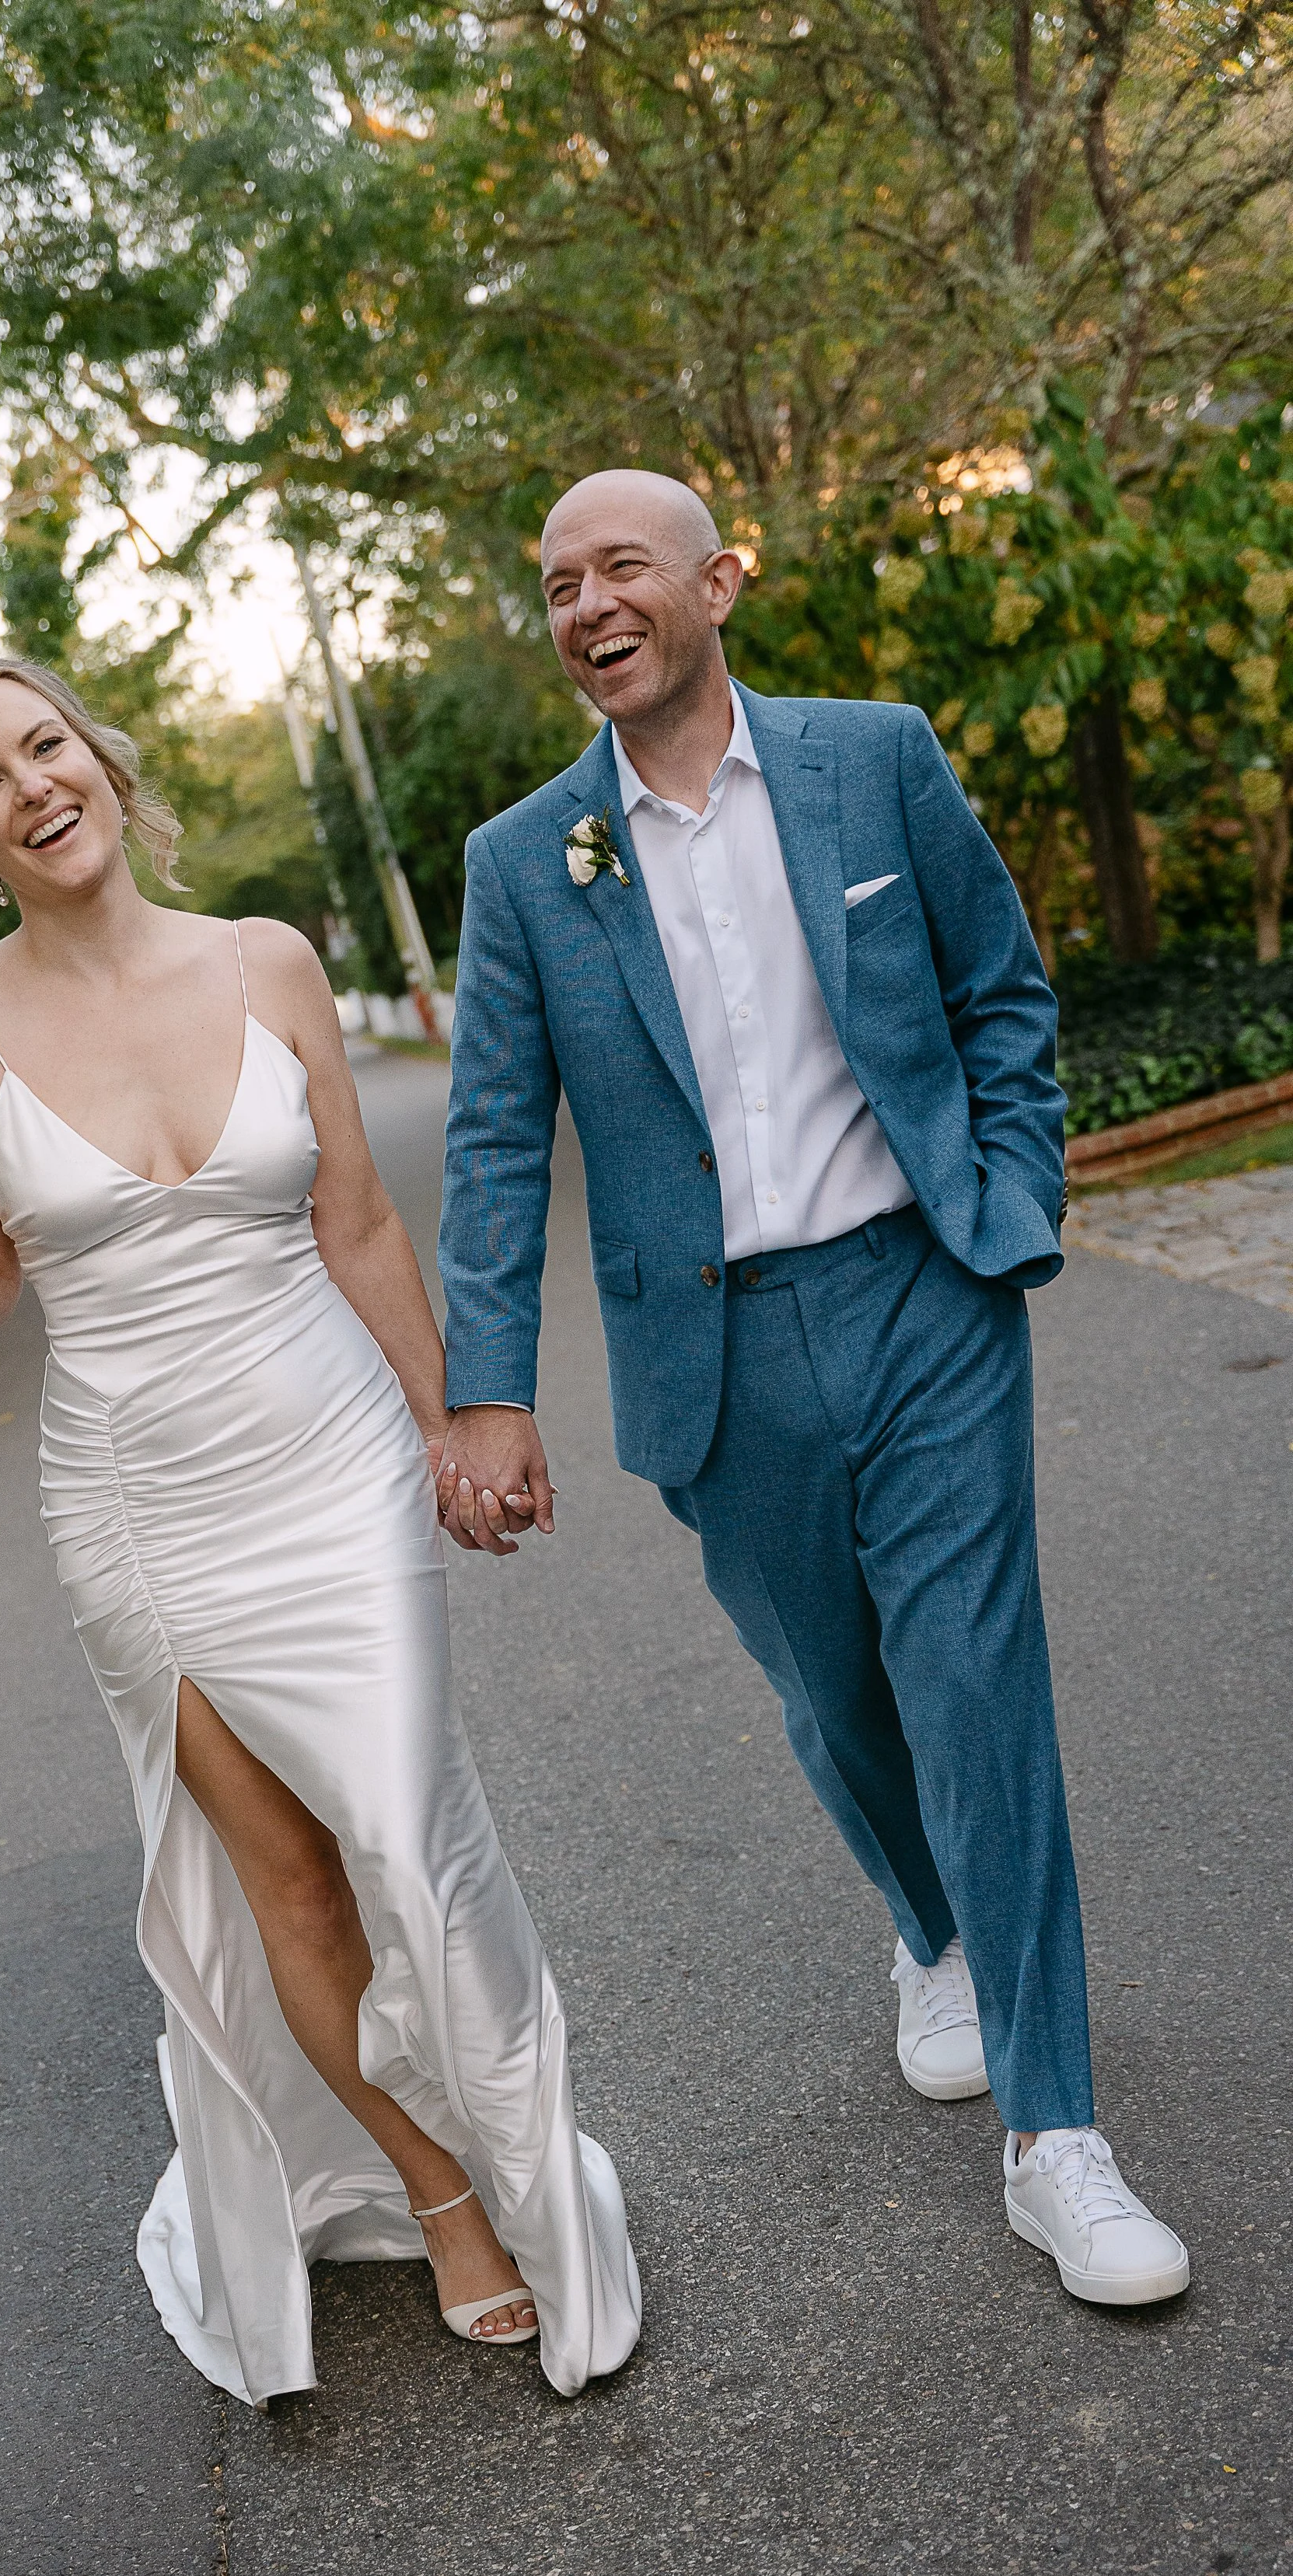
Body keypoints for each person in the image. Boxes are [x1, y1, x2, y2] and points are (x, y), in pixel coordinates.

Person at [0, 655, 639, 2406]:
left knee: (412, 1839)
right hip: (134, 1504)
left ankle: (522, 2148)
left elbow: (352, 1223)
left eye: (45, 744)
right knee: (291, 1886)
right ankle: (434, 2190)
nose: (31, 785)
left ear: (98, 760)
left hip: (330, 1464)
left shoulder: (267, 959)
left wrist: (449, 1420)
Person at [435, 469, 1190, 2308]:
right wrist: (484, 1389)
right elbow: (489, 1146)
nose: (584, 603)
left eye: (617, 566)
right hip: (712, 1344)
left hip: (921, 1292)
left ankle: (1055, 2133)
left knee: (972, 1685)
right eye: (553, 585)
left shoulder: (873, 759)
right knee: (831, 1689)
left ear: (718, 582)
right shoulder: (531, 860)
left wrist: (1004, 1200)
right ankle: (925, 1926)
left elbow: (998, 995)